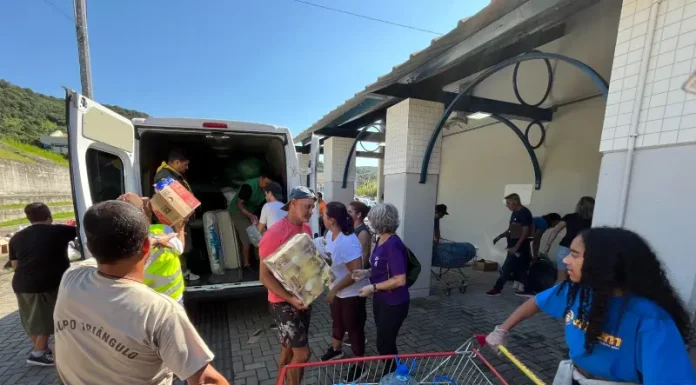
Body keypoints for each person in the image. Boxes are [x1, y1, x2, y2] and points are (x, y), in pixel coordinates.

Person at [485, 227, 696, 385]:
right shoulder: (577, 289)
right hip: (573, 376)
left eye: (575, 254)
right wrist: (501, 330)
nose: (566, 260)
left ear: (605, 263)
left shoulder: (652, 319)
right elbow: (536, 302)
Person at [53, 200, 228, 385]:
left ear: (90, 246)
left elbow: (95, 261)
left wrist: (150, 242)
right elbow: (207, 380)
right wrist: (153, 242)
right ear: (145, 246)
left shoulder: (72, 278)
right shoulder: (159, 311)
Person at [259, 186, 315, 385]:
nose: (310, 211)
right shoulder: (274, 234)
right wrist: (290, 298)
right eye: (307, 206)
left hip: (302, 298)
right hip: (282, 303)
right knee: (303, 354)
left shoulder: (306, 229)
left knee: (288, 349)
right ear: (292, 204)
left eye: (313, 207)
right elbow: (264, 276)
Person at [8, 203, 76, 366]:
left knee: (31, 319)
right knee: (49, 317)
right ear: (49, 216)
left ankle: (42, 350)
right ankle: (37, 353)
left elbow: (14, 265)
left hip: (21, 283)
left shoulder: (16, 237)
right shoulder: (60, 231)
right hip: (47, 282)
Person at [354, 203, 409, 375]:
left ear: (380, 221)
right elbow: (381, 269)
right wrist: (365, 273)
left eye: (372, 220)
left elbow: (400, 279)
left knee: (385, 342)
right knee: (384, 340)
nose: (369, 222)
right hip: (381, 300)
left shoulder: (393, 244)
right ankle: (392, 370)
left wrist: (373, 287)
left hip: (394, 302)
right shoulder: (380, 239)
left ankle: (393, 373)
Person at [320, 202, 368, 380]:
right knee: (337, 322)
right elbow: (332, 258)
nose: (322, 217)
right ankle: (336, 349)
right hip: (337, 291)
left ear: (332, 220)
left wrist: (335, 289)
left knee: (354, 329)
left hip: (351, 294)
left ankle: (359, 365)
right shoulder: (330, 234)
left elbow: (356, 273)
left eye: (324, 215)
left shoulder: (348, 241)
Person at [118, 193, 187, 305]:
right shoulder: (161, 232)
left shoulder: (121, 241)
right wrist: (180, 225)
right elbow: (179, 247)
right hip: (172, 298)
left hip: (146, 300)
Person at [153, 148, 199, 281]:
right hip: (174, 220)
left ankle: (182, 271)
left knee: (184, 245)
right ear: (177, 162)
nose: (187, 168)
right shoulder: (164, 175)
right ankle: (181, 273)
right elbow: (167, 198)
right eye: (185, 165)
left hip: (180, 218)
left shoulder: (172, 174)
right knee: (178, 245)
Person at [487, 193, 534, 297]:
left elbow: (525, 232)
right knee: (520, 268)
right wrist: (500, 236)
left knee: (507, 268)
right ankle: (529, 289)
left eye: (508, 203)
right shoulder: (514, 213)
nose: (507, 205)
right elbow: (511, 230)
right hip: (512, 246)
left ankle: (497, 289)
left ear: (515, 202)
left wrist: (516, 247)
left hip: (519, 247)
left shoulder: (524, 213)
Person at [229, 169, 274, 268]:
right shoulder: (249, 186)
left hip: (251, 211)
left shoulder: (266, 189)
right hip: (237, 211)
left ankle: (259, 261)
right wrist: (249, 215)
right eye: (265, 182)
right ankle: (246, 264)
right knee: (246, 236)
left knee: (259, 235)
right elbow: (239, 204)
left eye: (268, 184)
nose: (266, 185)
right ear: (260, 178)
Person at [543, 197, 595, 283]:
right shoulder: (594, 221)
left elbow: (555, 231)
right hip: (583, 252)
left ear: (579, 206)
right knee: (578, 280)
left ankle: (555, 296)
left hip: (565, 248)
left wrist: (547, 246)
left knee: (561, 279)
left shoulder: (570, 217)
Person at [348, 201, 372, 268]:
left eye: (350, 212)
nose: (347, 214)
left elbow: (364, 256)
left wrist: (358, 273)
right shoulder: (352, 229)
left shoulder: (363, 233)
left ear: (358, 215)